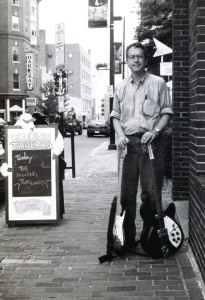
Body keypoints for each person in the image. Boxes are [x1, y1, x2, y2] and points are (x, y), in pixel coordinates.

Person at [110, 42, 173, 255]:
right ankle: (128, 240)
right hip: (128, 145)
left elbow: (166, 112)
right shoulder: (120, 87)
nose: (136, 60)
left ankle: (151, 237)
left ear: (145, 60)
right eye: (131, 57)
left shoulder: (158, 83)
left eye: (139, 56)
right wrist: (119, 136)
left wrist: (155, 131)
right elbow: (116, 117)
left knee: (151, 194)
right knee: (127, 196)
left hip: (151, 145)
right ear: (126, 61)